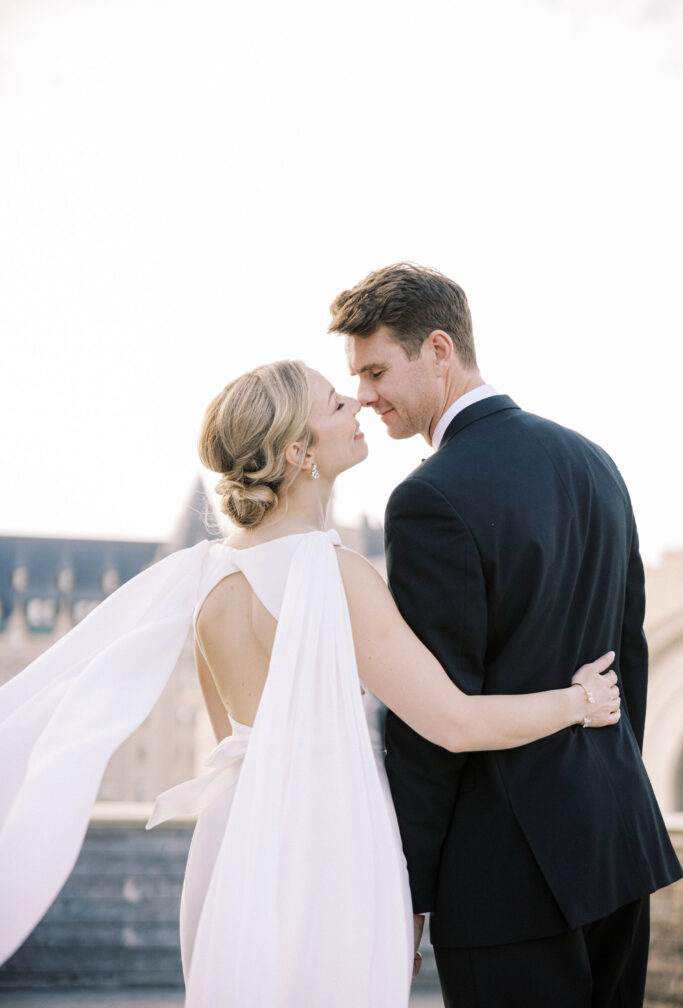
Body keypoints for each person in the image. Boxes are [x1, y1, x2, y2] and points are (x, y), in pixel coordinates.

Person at [0, 360, 620, 1008]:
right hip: (331, 838)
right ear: (300, 452)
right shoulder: (336, 574)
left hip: (234, 834)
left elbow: (228, 738)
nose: (356, 404)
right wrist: (578, 702)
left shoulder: (205, 575)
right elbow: (453, 721)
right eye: (334, 404)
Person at [329, 263, 683, 1008]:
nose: (363, 396)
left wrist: (411, 882)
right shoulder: (594, 462)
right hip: (617, 847)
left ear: (436, 350)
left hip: (502, 880)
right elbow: (630, 662)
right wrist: (613, 791)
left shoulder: (429, 498)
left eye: (374, 370)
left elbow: (430, 718)